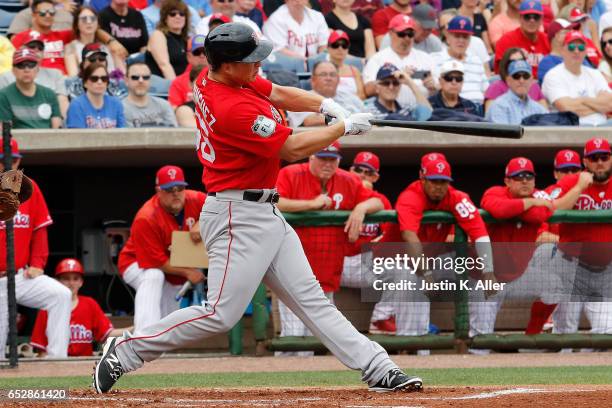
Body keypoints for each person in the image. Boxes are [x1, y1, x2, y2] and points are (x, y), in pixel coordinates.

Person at [93, 22, 422, 394]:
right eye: (250, 60)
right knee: (220, 314)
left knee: (312, 299)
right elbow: (291, 149)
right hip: (238, 216)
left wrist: (326, 104)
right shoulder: (230, 107)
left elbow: (279, 92)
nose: (258, 65)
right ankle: (126, 349)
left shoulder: (217, 76)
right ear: (228, 65)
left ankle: (378, 367)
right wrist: (342, 128)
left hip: (263, 209)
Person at [275, 142, 384, 355]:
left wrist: (361, 208)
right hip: (291, 272)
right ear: (311, 157)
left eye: (332, 159)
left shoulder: (348, 179)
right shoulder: (291, 173)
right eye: (322, 158)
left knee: (319, 341)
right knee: (294, 338)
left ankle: (306, 386)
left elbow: (377, 203)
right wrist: (309, 205)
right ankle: (281, 386)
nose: (327, 163)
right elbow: (273, 201)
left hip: (327, 271)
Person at [392, 158, 493, 349]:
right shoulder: (410, 196)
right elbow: (409, 236)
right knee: (411, 280)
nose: (439, 186)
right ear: (423, 179)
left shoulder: (456, 197)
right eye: (434, 181)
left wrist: (488, 270)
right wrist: (428, 275)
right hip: (393, 261)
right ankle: (408, 345)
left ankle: (478, 346)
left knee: (476, 278)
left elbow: (479, 233)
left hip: (429, 259)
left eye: (443, 181)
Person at [474, 157, 555, 352]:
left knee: (556, 284)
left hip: (520, 276)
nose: (525, 180)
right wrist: (530, 202)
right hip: (487, 277)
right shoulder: (494, 192)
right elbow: (499, 209)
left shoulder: (542, 195)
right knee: (479, 344)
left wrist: (520, 206)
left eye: (529, 176)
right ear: (507, 181)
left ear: (535, 181)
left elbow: (539, 215)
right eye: (518, 177)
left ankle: (531, 341)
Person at [0, 139, 71, 359]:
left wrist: (39, 264)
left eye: (16, 159)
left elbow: (40, 228)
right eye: (5, 160)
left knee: (61, 294)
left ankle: (57, 360)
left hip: (21, 276)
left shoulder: (29, 188)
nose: (11, 163)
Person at [117, 165, 206, 331]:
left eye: (180, 188)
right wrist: (188, 272)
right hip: (135, 263)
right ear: (158, 191)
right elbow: (156, 262)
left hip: (173, 266)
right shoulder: (146, 217)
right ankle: (143, 337)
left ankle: (158, 348)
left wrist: (202, 222)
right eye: (169, 189)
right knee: (153, 276)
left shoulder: (196, 199)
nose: (175, 193)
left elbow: (220, 209)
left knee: (168, 320)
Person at [547, 138, 612, 338]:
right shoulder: (571, 181)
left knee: (607, 332)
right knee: (565, 334)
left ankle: (586, 361)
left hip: (605, 269)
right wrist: (578, 189)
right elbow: (551, 210)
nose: (599, 162)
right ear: (585, 161)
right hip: (570, 267)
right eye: (594, 158)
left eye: (604, 157)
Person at [525, 149, 582, 336]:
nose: (570, 175)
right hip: (558, 263)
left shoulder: (589, 194)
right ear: (556, 173)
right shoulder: (546, 195)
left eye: (574, 170)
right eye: (565, 171)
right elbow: (540, 237)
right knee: (548, 251)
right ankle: (546, 319)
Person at [341, 151, 396, 335]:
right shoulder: (340, 193)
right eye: (358, 170)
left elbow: (389, 236)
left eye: (368, 172)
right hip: (334, 262)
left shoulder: (382, 201)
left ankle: (381, 319)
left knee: (403, 269)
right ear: (350, 170)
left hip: (360, 265)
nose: (362, 175)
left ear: (375, 177)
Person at [30, 258, 125, 357]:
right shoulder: (46, 307)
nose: (71, 283)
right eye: (66, 278)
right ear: (57, 282)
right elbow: (41, 350)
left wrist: (135, 329)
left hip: (83, 365)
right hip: (57, 363)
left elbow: (107, 333)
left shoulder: (90, 304)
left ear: (81, 282)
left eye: (75, 279)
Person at [12, 0, 126, 75]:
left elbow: (88, 27)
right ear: (33, 15)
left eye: (51, 12)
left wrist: (111, 41)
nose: (48, 15)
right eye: (42, 12)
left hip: (63, 81)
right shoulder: (21, 37)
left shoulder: (63, 36)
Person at [363, 15, 436, 110]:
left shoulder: (426, 58)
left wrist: (433, 87)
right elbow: (368, 90)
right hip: (391, 113)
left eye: (410, 34)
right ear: (390, 33)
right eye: (402, 34)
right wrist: (394, 77)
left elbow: (441, 88)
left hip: (423, 112)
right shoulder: (378, 58)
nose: (407, 38)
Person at [542, 31, 612, 126]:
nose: (576, 51)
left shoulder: (595, 73)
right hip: (574, 130)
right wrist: (599, 106)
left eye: (581, 48)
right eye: (571, 47)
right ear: (562, 50)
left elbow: (609, 104)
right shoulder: (553, 75)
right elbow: (567, 108)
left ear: (585, 52)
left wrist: (583, 100)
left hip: (602, 126)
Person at [287, 61, 365, 127]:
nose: (328, 78)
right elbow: (309, 121)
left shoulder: (352, 98)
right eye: (323, 74)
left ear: (338, 79)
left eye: (332, 75)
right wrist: (350, 119)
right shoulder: (301, 98)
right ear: (313, 80)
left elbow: (367, 119)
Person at [432, 16, 489, 105]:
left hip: (477, 110)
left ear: (470, 39)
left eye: (465, 37)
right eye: (457, 36)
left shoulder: (476, 60)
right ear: (448, 37)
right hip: (450, 109)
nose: (461, 40)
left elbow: (486, 92)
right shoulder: (435, 59)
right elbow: (435, 88)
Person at [0, 48, 62, 129]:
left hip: (47, 140)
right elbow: (5, 131)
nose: (26, 70)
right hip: (18, 140)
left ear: (37, 69)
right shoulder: (4, 95)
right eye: (21, 65)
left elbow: (56, 129)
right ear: (13, 70)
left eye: (31, 65)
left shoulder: (49, 94)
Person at [494, 0, 550, 78]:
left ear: (541, 20)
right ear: (520, 19)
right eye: (527, 17)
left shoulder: (548, 40)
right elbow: (502, 72)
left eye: (536, 17)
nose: (532, 21)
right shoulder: (506, 40)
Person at [485, 47, 547, 112]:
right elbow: (490, 117)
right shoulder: (496, 87)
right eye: (512, 62)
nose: (517, 64)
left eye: (521, 60)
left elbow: (544, 115)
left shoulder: (534, 86)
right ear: (505, 64)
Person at [486, 60, 548, 124]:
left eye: (526, 76)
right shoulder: (499, 106)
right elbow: (502, 133)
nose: (521, 80)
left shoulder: (538, 109)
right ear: (508, 80)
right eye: (516, 76)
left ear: (531, 80)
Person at [65, 6, 122, 77]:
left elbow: (122, 74)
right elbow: (73, 78)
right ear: (76, 24)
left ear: (97, 23)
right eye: (84, 19)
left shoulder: (110, 46)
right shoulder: (71, 47)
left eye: (93, 18)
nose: (89, 22)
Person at [263, 0, 329, 60]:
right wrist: (307, 62)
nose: (297, 1)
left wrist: (318, 64)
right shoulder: (275, 20)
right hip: (286, 68)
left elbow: (323, 45)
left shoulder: (317, 17)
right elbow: (280, 50)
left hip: (316, 66)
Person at [364, 63, 432, 121]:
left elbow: (428, 115)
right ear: (376, 87)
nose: (391, 87)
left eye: (395, 83)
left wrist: (409, 81)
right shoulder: (368, 112)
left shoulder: (407, 108)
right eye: (386, 83)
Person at [66, 63, 126, 128]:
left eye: (104, 78)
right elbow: (77, 136)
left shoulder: (116, 103)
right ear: (85, 83)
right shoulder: (77, 105)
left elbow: (123, 133)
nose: (100, 82)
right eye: (94, 78)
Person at [145, 0, 189, 81]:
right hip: (162, 87)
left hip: (184, 85)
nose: (178, 16)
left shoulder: (187, 39)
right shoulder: (158, 35)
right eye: (173, 14)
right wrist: (177, 88)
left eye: (182, 14)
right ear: (165, 18)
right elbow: (164, 65)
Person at [122, 62, 177, 127]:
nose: (141, 80)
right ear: (126, 80)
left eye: (146, 77)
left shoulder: (164, 105)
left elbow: (174, 133)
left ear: (150, 80)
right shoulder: (120, 108)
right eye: (135, 77)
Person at [168, 34, 208, 110]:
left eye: (205, 52)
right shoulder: (178, 82)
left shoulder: (222, 78)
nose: (202, 56)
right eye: (197, 52)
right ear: (188, 56)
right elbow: (174, 110)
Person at [325, 30, 366, 99]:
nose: (340, 48)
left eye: (344, 45)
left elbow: (362, 95)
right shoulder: (322, 70)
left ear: (348, 49)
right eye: (336, 45)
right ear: (328, 48)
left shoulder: (354, 70)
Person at [537, 18, 578, 84]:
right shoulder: (547, 63)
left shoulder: (579, 56)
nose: (573, 35)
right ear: (557, 36)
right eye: (568, 32)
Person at [195, 0, 262, 37]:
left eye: (230, 0)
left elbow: (262, 43)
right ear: (211, 3)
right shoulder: (204, 23)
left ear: (236, 2)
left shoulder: (247, 22)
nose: (226, 4)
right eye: (221, 1)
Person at [7, 0, 73, 37]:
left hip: (63, 53)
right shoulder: (26, 13)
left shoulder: (67, 14)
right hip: (35, 50)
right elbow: (15, 39)